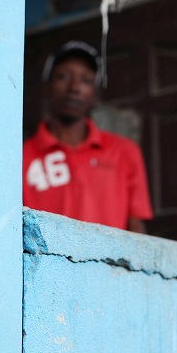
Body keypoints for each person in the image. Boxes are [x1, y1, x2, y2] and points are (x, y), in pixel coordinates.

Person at [23, 41, 153, 232]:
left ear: (94, 94)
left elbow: (136, 227)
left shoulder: (125, 152)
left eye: (85, 80)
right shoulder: (22, 157)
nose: (74, 87)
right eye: (63, 76)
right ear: (47, 87)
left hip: (109, 262)